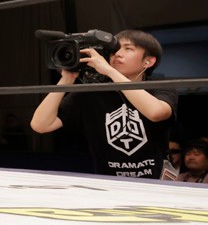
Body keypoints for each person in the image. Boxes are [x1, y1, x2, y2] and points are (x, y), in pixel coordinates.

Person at [30, 29, 176, 179]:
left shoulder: (159, 87)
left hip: (156, 183)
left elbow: (156, 113)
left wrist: (108, 70)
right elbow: (40, 125)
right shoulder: (92, 92)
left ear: (148, 61)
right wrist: (66, 79)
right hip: (109, 183)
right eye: (114, 50)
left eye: (128, 49)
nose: (118, 54)